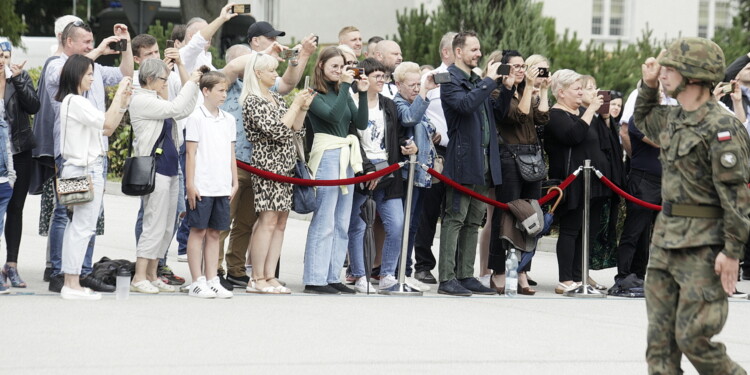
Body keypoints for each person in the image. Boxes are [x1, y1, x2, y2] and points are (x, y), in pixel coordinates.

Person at [637, 37, 749, 374]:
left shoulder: (722, 126)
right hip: (665, 243)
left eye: (671, 69)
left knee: (694, 339)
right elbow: (641, 119)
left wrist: (732, 251)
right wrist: (648, 83)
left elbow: (736, 196)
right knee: (659, 348)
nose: (664, 74)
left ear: (695, 76)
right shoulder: (672, 118)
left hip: (703, 247)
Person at [218, 22, 318, 288]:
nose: (275, 45)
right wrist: (263, 56)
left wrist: (302, 56)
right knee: (222, 220)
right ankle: (215, 271)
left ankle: (239, 269)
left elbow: (289, 87)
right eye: (269, 39)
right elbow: (232, 69)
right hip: (238, 160)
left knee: (249, 222)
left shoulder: (272, 93)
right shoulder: (228, 83)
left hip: (268, 166)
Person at [44, 20, 133, 293]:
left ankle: (76, 277)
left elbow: (123, 73)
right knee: (76, 224)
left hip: (83, 166)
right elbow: (107, 124)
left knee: (81, 225)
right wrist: (120, 99)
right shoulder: (69, 89)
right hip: (80, 167)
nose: (93, 78)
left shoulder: (76, 97)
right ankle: (67, 277)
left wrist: (125, 45)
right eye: (89, 74)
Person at [437, 30, 513, 296]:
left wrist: (506, 87)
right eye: (474, 50)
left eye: (479, 49)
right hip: (463, 160)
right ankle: (447, 278)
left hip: (484, 162)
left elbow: (498, 113)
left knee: (473, 220)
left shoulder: (477, 80)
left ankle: (465, 275)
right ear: (458, 52)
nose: (479, 54)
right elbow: (465, 105)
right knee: (455, 217)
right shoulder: (448, 79)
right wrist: (488, 81)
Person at [241, 53, 314, 294]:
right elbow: (276, 131)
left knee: (281, 221)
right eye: (271, 71)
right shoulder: (252, 101)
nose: (276, 74)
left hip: (286, 164)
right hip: (267, 165)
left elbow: (295, 130)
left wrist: (302, 108)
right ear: (258, 74)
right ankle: (257, 277)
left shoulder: (275, 97)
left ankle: (270, 275)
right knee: (268, 219)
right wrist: (294, 105)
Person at [128, 59, 200, 294]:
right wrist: (193, 81)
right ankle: (139, 277)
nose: (165, 83)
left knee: (168, 225)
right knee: (153, 224)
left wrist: (194, 86)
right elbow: (176, 108)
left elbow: (185, 110)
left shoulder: (157, 100)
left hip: (170, 169)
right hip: (155, 170)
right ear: (149, 79)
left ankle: (152, 273)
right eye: (163, 79)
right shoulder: (141, 100)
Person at [302, 46, 369, 295]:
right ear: (321, 66)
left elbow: (360, 122)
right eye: (335, 67)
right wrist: (345, 87)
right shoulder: (313, 93)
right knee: (325, 218)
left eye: (342, 67)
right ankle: (315, 277)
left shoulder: (342, 91)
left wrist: (361, 94)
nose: (339, 71)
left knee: (341, 220)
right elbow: (332, 115)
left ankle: (332, 275)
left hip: (346, 155)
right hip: (327, 153)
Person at [347, 58, 414, 293]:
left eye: (383, 76)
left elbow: (397, 134)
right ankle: (359, 275)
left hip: (388, 168)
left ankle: (387, 274)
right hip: (361, 169)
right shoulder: (352, 102)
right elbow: (351, 138)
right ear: (362, 78)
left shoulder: (388, 104)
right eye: (376, 76)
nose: (381, 80)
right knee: (357, 224)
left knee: (396, 224)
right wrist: (367, 169)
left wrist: (408, 145)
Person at [486, 50, 550, 296]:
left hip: (532, 156)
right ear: (504, 69)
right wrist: (525, 89)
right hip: (509, 157)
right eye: (515, 66)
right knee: (505, 215)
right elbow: (518, 115)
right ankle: (499, 271)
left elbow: (542, 117)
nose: (521, 70)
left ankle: (522, 270)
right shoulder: (498, 92)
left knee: (531, 214)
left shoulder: (528, 91)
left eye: (523, 66)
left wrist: (542, 90)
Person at [544, 69, 605, 294]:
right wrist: (589, 110)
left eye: (582, 88)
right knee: (570, 230)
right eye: (576, 89)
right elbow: (574, 136)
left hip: (591, 181)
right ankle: (566, 279)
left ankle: (580, 276)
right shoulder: (555, 115)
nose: (581, 93)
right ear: (561, 92)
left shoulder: (582, 112)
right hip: (570, 181)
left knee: (586, 230)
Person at [31, 15, 82, 283]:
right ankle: (58, 269)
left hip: (77, 157)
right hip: (66, 157)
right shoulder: (59, 70)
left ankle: (66, 268)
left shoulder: (78, 93)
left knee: (74, 213)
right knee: (64, 211)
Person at [184, 68, 237, 299]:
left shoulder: (229, 119)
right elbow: (190, 153)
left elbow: (231, 153)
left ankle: (212, 278)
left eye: (226, 90)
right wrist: (190, 184)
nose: (224, 95)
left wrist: (234, 181)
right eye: (220, 90)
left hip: (222, 184)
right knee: (198, 231)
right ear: (206, 91)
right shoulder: (196, 117)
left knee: (215, 232)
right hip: (202, 184)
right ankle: (197, 281)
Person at [413, 31, 456, 285]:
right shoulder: (429, 79)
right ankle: (423, 264)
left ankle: (454, 268)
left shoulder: (467, 80)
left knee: (455, 212)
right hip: (436, 152)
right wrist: (431, 130)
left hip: (460, 153)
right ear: (446, 52)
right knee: (429, 211)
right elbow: (417, 108)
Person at [392, 61, 438, 289]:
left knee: (412, 226)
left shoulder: (417, 101)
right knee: (402, 225)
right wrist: (425, 91)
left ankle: (405, 271)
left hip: (419, 174)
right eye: (411, 84)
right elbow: (409, 119)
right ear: (398, 84)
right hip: (404, 175)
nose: (416, 88)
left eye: (418, 84)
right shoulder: (397, 103)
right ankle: (398, 271)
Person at [0, 41, 39, 289]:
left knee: (16, 208)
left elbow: (34, 106)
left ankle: (11, 265)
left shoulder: (17, 78)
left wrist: (19, 79)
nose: (2, 60)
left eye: (5, 55)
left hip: (19, 151)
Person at [580, 75, 624, 287]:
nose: (593, 92)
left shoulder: (598, 116)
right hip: (586, 182)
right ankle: (577, 274)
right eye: (588, 88)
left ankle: (584, 272)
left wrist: (606, 118)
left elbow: (612, 147)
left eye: (595, 87)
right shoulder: (581, 114)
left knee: (596, 229)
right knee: (582, 230)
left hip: (605, 183)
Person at [179, 5, 237, 73]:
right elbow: (199, 40)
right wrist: (222, 18)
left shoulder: (205, 58)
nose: (210, 36)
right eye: (205, 32)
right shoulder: (185, 54)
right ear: (190, 36)